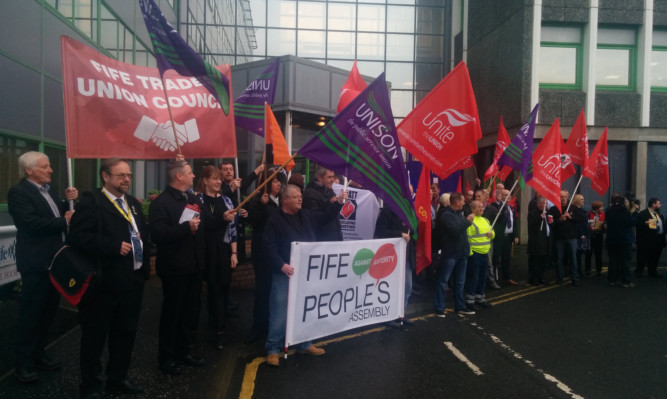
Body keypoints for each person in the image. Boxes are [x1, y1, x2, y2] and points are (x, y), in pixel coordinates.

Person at [68, 159, 147, 398]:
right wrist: (112, 246)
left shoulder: (132, 203)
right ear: (105, 176)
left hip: (132, 282)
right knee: (95, 337)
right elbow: (78, 237)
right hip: (103, 284)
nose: (126, 180)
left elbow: (142, 233)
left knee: (125, 334)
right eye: (121, 175)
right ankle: (90, 385)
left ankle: (118, 377)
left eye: (129, 175)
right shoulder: (92, 203)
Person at [7, 151, 78, 383]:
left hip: (54, 261)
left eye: (49, 166)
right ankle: (22, 363)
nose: (51, 170)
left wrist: (69, 200)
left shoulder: (48, 191)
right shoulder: (19, 192)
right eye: (45, 166)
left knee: (49, 311)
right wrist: (64, 220)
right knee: (31, 314)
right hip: (36, 263)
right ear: (29, 171)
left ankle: (39, 353)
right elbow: (31, 223)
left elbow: (54, 213)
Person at [263, 184, 347, 367]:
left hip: (305, 274)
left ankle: (304, 343)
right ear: (285, 200)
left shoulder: (306, 215)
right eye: (295, 196)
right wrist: (281, 265)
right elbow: (268, 248)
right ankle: (273, 349)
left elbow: (325, 217)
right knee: (280, 311)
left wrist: (338, 203)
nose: (300, 199)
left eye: (300, 196)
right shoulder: (275, 220)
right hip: (284, 273)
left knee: (304, 310)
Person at [149, 159, 206, 375]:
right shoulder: (160, 203)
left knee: (188, 314)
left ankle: (184, 351)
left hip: (193, 267)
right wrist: (185, 228)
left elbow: (202, 230)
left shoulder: (191, 198)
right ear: (179, 176)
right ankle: (166, 358)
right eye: (190, 173)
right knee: (172, 315)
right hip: (174, 269)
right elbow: (158, 235)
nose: (194, 176)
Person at [195, 166, 245, 350]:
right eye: (215, 179)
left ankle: (219, 325)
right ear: (205, 181)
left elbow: (232, 231)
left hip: (223, 251)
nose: (218, 182)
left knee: (223, 287)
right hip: (204, 250)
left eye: (219, 179)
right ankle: (214, 327)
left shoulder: (227, 201)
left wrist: (234, 253)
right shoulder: (197, 199)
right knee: (211, 289)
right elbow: (202, 224)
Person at [244, 170, 282, 344]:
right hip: (262, 253)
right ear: (266, 184)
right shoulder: (258, 199)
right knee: (263, 292)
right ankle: (258, 328)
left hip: (278, 252)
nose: (279, 184)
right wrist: (260, 205)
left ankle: (275, 326)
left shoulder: (281, 201)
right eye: (274, 181)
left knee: (277, 293)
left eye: (279, 181)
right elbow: (252, 221)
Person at [433, 192, 475, 319]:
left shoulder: (459, 214)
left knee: (460, 282)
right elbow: (456, 230)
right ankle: (439, 307)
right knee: (443, 281)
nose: (464, 203)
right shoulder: (446, 215)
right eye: (462, 201)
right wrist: (467, 222)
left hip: (461, 253)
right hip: (450, 253)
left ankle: (460, 306)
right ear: (457, 202)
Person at [374, 206, 415, 328]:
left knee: (407, 287)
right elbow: (380, 231)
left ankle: (401, 314)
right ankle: (388, 316)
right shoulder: (387, 211)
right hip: (391, 256)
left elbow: (412, 232)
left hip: (406, 256)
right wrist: (400, 234)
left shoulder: (408, 212)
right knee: (391, 287)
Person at [548, 190, 585, 286]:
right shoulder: (553, 209)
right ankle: (559, 278)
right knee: (559, 258)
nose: (563, 198)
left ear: (567, 196)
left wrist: (571, 217)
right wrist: (559, 220)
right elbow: (550, 224)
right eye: (561, 197)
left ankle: (574, 277)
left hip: (571, 237)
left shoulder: (573, 208)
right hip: (559, 238)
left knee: (573, 257)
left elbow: (582, 219)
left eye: (564, 196)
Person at [485, 189, 519, 286]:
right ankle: (494, 278)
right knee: (495, 258)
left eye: (508, 195)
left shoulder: (512, 208)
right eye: (505, 195)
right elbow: (499, 213)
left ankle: (507, 277)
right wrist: (500, 202)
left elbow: (514, 223)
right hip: (499, 237)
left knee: (506, 258)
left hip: (508, 237)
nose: (507, 197)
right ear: (501, 196)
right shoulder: (496, 206)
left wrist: (515, 235)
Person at [465, 200, 494, 310]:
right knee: (473, 277)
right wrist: (471, 253)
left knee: (482, 277)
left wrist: (492, 234)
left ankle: (480, 299)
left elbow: (492, 233)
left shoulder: (485, 220)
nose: (482, 209)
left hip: (484, 253)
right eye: (479, 207)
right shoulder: (470, 220)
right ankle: (470, 301)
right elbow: (467, 238)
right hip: (475, 254)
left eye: (482, 207)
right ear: (473, 209)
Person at [605, 193, 639, 287]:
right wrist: (634, 212)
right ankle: (626, 281)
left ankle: (612, 279)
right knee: (625, 261)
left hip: (612, 239)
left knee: (613, 260)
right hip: (625, 239)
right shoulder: (625, 212)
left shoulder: (608, 210)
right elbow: (631, 223)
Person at [302, 167, 343, 241]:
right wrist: (334, 204)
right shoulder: (310, 194)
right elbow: (318, 218)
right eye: (329, 177)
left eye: (333, 177)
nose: (332, 180)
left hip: (334, 239)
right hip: (322, 241)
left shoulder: (329, 191)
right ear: (320, 178)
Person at [635, 197, 665, 278]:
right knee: (643, 256)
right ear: (653, 204)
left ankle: (653, 272)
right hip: (646, 240)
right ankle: (639, 271)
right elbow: (638, 224)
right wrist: (645, 223)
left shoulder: (659, 214)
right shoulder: (643, 214)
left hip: (658, 239)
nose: (660, 205)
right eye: (658, 203)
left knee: (655, 257)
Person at [527, 197, 550, 285]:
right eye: (544, 203)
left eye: (546, 203)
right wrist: (540, 218)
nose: (545, 205)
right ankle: (533, 278)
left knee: (542, 261)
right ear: (538, 204)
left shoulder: (547, 213)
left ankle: (541, 277)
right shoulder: (533, 213)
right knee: (535, 262)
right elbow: (531, 225)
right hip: (536, 241)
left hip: (545, 240)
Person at [571, 194, 591, 276]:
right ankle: (578, 271)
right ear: (577, 200)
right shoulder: (574, 210)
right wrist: (581, 233)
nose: (583, 200)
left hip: (585, 232)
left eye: (583, 199)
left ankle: (581, 270)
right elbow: (577, 223)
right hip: (579, 234)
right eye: (581, 199)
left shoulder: (582, 210)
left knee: (584, 253)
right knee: (578, 254)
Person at [587, 201, 606, 276]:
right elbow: (586, 224)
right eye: (601, 207)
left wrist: (603, 225)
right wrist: (591, 228)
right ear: (596, 208)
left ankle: (599, 270)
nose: (602, 208)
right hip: (591, 235)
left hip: (599, 235)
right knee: (589, 253)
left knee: (598, 253)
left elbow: (605, 225)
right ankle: (587, 269)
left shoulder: (603, 214)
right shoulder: (589, 214)